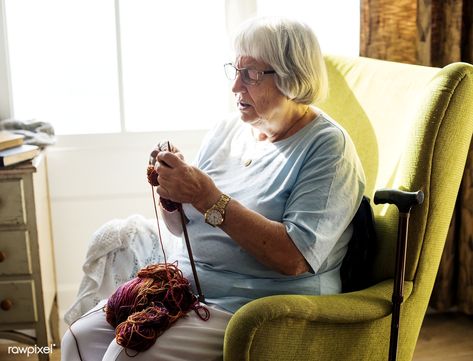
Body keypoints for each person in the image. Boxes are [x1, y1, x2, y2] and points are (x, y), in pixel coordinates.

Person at [61, 16, 365, 361]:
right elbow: (182, 229)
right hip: (188, 291)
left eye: (250, 74)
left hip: (260, 306)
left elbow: (294, 258)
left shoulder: (328, 147)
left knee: (127, 354)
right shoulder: (226, 130)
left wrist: (206, 196)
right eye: (234, 71)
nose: (236, 86)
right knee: (78, 338)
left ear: (291, 76)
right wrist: (172, 191)